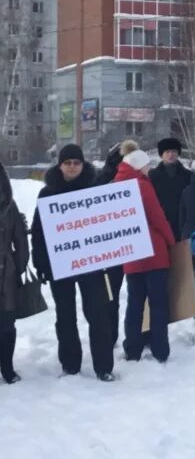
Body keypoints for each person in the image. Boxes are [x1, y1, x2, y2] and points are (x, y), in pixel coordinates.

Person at [31, 145, 115, 381]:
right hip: (60, 264)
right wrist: (41, 263)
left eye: (76, 162)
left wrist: (110, 254)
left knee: (97, 313)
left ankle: (104, 366)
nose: (72, 166)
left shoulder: (93, 188)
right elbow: (39, 231)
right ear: (60, 165)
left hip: (91, 262)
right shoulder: (48, 193)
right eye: (67, 162)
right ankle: (70, 365)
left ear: (82, 164)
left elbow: (109, 222)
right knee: (65, 316)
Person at [114, 150, 176, 363]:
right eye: (147, 165)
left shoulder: (116, 187)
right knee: (158, 304)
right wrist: (171, 242)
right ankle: (160, 349)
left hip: (131, 255)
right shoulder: (142, 185)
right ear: (139, 166)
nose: (150, 169)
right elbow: (157, 217)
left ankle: (132, 349)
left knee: (134, 303)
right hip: (154, 253)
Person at [93, 139, 139, 346]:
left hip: (137, 242)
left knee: (138, 294)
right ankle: (110, 335)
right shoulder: (104, 178)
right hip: (112, 245)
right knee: (110, 294)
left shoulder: (143, 176)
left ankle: (138, 335)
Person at [0, 162, 29, 384]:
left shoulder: (9, 207)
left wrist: (18, 268)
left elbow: (20, 239)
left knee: (7, 324)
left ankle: (7, 368)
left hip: (5, 275)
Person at [149, 138, 193, 240]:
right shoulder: (153, 176)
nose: (170, 154)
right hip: (160, 222)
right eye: (167, 151)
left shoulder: (188, 175)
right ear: (161, 154)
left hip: (182, 222)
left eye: (173, 151)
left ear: (178, 153)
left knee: (180, 254)